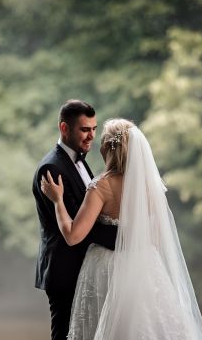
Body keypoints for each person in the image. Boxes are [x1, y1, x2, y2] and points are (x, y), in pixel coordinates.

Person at [41, 118, 202, 340]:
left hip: (106, 268)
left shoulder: (101, 186)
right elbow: (156, 237)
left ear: (107, 148)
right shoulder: (151, 186)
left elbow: (73, 236)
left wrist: (57, 201)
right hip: (145, 265)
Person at [32, 100, 117, 340]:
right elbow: (82, 228)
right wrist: (123, 237)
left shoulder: (77, 159)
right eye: (84, 129)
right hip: (65, 270)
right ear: (64, 128)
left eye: (94, 129)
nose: (91, 136)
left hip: (83, 267)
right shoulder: (52, 168)